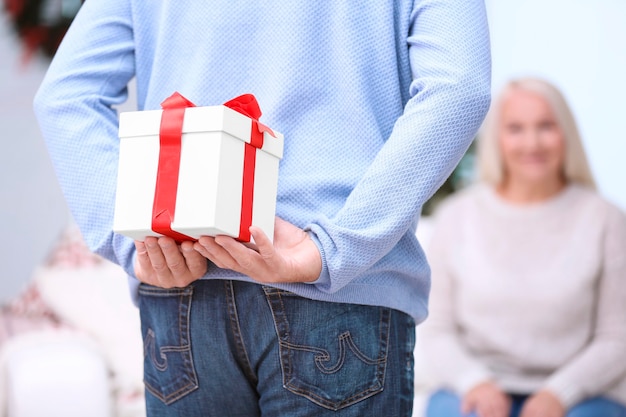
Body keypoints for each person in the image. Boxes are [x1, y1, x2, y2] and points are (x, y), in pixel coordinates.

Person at [33, 1, 491, 416]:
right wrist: (335, 247)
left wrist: (134, 241)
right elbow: (460, 86)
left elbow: (65, 96)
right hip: (339, 295)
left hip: (181, 288)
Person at [420, 77, 626, 417]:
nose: (532, 143)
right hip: (476, 388)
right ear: (497, 140)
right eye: (516, 128)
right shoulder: (457, 217)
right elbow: (438, 330)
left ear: (566, 134)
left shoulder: (606, 220)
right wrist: (476, 383)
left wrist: (558, 394)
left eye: (545, 126)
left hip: (581, 394)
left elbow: (617, 337)